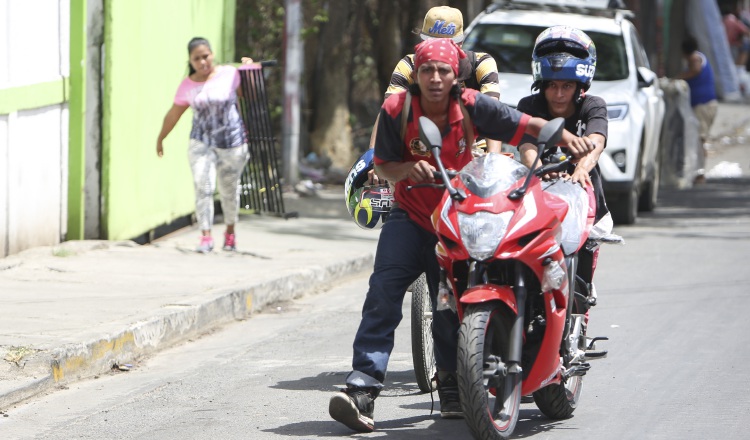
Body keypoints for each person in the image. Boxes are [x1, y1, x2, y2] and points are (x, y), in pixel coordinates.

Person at [328, 37, 591, 433]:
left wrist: (562, 136)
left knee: (451, 305)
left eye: (443, 71)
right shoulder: (397, 109)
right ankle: (362, 390)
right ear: (416, 75)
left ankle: (453, 385)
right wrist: (405, 171)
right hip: (410, 216)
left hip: (456, 217)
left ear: (455, 76)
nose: (435, 78)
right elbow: (382, 164)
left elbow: (520, 124)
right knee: (381, 296)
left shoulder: (470, 104)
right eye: (427, 71)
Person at [515, 26, 610, 304]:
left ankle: (577, 328)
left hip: (586, 203)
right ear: (541, 84)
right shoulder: (528, 105)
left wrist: (581, 169)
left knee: (579, 290)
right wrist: (538, 171)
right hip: (538, 201)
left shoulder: (594, 106)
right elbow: (527, 146)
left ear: (580, 87)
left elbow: (596, 141)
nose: (558, 94)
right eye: (552, 86)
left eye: (566, 86)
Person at [368, 6, 504, 185]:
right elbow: (389, 112)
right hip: (420, 156)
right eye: (431, 44)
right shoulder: (409, 65)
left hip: (473, 158)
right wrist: (374, 160)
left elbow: (492, 113)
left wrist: (492, 162)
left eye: (447, 46)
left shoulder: (481, 63)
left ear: (461, 44)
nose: (438, 53)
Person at [156, 37, 252, 253]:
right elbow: (174, 115)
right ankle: (206, 236)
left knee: (229, 190)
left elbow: (250, 96)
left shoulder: (229, 74)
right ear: (190, 61)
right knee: (203, 185)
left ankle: (230, 232)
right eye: (196, 58)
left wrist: (249, 71)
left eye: (205, 56)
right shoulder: (187, 85)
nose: (202, 62)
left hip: (232, 142)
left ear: (212, 54)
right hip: (201, 141)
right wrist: (161, 137)